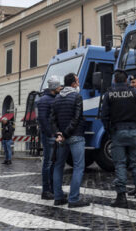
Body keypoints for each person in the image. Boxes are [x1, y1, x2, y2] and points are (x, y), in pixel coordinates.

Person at [101, 70, 136, 208]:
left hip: (117, 132)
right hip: (134, 132)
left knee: (120, 165)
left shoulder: (109, 94)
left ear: (115, 80)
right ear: (127, 80)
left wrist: (109, 131)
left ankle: (121, 197)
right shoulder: (135, 93)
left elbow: (104, 116)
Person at [50, 73, 90, 208]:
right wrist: (66, 134)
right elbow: (77, 118)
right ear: (73, 84)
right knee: (78, 167)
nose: (78, 83)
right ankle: (73, 199)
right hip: (75, 136)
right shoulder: (77, 97)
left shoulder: (56, 99)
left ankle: (58, 197)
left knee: (58, 166)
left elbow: (52, 120)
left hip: (61, 138)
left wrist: (58, 134)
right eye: (77, 81)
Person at [37, 75, 63, 200]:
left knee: (53, 163)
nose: (60, 87)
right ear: (54, 87)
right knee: (48, 163)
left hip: (53, 135)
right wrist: (50, 134)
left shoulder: (54, 98)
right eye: (58, 86)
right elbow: (42, 119)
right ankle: (46, 190)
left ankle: (52, 189)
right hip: (48, 135)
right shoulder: (44, 100)